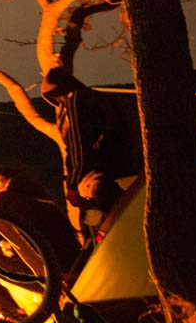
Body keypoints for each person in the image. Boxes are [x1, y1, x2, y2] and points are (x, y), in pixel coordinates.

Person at [41, 67, 140, 239]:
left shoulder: (75, 102)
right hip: (131, 172)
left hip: (102, 179)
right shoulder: (100, 99)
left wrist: (72, 185)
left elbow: (79, 147)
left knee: (106, 233)